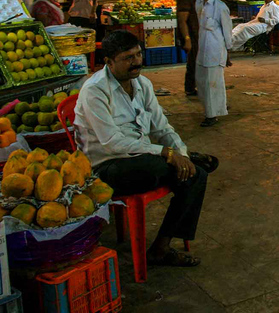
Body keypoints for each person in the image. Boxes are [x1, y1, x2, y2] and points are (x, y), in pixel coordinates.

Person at [75, 30, 208, 268]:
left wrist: (182, 154)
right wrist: (166, 153)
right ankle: (182, 163)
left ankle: (160, 247)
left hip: (142, 157)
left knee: (197, 175)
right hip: (107, 167)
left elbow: (161, 127)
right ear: (109, 62)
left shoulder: (143, 84)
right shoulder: (94, 90)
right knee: (159, 167)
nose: (137, 62)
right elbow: (112, 142)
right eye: (128, 58)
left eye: (138, 54)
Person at [195, 0, 233, 127]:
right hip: (202, 48)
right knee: (202, 83)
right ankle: (215, 108)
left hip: (215, 50)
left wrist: (228, 52)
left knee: (213, 84)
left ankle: (212, 115)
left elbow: (227, 31)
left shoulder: (220, 7)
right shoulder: (198, 4)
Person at [176, 0, 203, 96]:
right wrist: (186, 39)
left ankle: (194, 86)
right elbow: (182, 19)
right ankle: (190, 88)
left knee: (197, 60)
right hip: (190, 33)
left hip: (198, 32)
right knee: (193, 61)